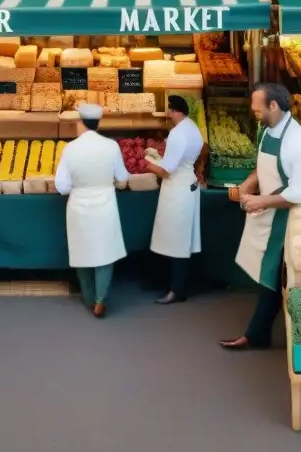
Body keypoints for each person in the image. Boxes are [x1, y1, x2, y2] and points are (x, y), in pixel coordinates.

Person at [221, 83, 301, 350]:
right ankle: (258, 334)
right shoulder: (267, 129)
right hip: (268, 212)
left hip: (289, 220)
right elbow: (262, 166)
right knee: (270, 277)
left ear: (273, 106)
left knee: (279, 278)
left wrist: (262, 200)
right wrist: (250, 183)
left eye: (257, 109)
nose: (254, 113)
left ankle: (298, 340)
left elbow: (299, 193)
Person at [54, 103, 130, 318]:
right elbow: (123, 177)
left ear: (81, 123)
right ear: (98, 123)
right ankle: (100, 300)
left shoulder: (70, 149)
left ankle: (88, 298)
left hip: (79, 206)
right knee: (104, 254)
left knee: (82, 252)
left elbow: (62, 186)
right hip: (105, 205)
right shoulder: (111, 146)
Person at [145, 95, 204, 304]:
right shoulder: (193, 127)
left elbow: (166, 171)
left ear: (173, 111)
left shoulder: (178, 133)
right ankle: (178, 286)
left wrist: (145, 164)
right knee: (181, 239)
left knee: (176, 240)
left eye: (168, 110)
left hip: (177, 188)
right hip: (187, 182)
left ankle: (176, 290)